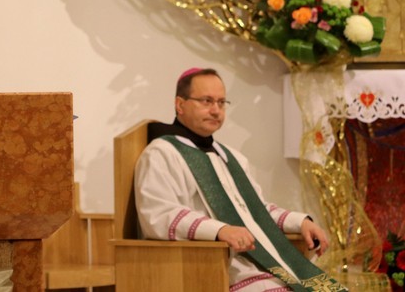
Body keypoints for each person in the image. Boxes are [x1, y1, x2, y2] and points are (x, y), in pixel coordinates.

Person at [135, 68, 347, 291]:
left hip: (259, 263)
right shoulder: (162, 153)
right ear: (180, 104)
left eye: (221, 102)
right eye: (206, 101)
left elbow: (254, 212)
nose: (216, 110)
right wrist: (219, 230)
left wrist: (300, 222)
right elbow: (158, 215)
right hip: (213, 265)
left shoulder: (231, 157)